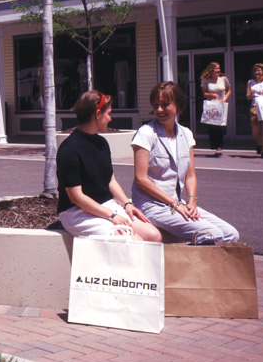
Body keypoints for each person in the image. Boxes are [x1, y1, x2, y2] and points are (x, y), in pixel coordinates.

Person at [131, 81, 239, 244]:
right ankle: (185, 264)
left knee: (231, 234)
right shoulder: (146, 133)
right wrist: (175, 204)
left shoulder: (186, 134)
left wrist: (192, 202)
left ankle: (197, 260)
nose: (159, 110)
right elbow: (141, 179)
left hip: (176, 204)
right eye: (155, 105)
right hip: (152, 206)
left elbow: (190, 175)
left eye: (165, 104)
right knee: (212, 234)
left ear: (178, 106)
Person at [57, 90, 160, 241]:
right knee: (133, 241)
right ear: (97, 114)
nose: (110, 119)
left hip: (106, 205)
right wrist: (111, 216)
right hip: (76, 212)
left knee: (154, 236)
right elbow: (76, 197)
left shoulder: (101, 143)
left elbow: (110, 180)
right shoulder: (69, 149)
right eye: (108, 113)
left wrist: (126, 204)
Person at [199, 62, 231, 157]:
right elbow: (204, 93)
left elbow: (229, 90)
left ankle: (219, 148)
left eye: (218, 68)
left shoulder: (224, 79)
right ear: (211, 70)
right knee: (212, 127)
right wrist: (211, 95)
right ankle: (215, 146)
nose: (218, 70)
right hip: (211, 105)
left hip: (221, 105)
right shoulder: (205, 80)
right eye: (216, 69)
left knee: (220, 126)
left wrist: (225, 98)